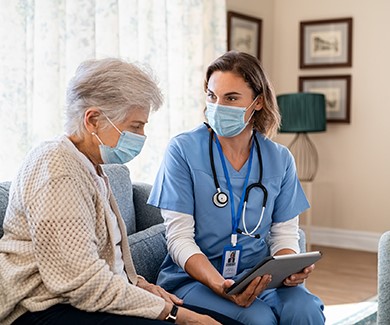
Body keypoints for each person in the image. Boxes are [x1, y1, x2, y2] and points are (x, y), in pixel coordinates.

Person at [0, 58, 240, 325]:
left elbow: (105, 260)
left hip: (85, 301)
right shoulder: (57, 169)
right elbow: (81, 283)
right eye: (135, 126)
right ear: (93, 120)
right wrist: (175, 314)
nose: (142, 136)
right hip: (41, 309)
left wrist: (138, 284)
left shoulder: (91, 166)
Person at [148, 51, 326, 325]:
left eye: (231, 98)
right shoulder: (183, 150)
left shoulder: (279, 159)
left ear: (258, 102)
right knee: (258, 319)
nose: (218, 106)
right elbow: (179, 239)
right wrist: (222, 286)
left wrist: (289, 268)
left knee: (305, 310)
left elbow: (284, 235)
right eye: (212, 96)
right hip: (197, 281)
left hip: (259, 277)